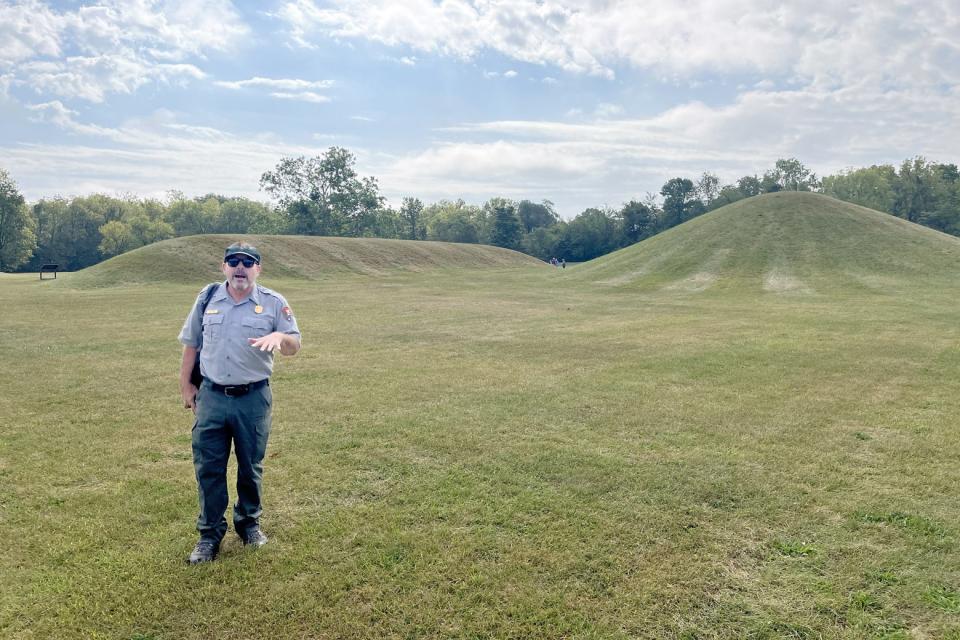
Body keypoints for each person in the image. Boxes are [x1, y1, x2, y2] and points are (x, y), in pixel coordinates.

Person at [178, 241, 301, 564]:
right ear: (224, 267)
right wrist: (186, 386)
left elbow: (294, 345)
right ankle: (209, 535)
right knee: (209, 468)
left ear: (258, 269)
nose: (240, 268)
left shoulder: (274, 303)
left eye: (248, 262)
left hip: (253, 398)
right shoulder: (207, 300)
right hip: (213, 397)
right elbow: (191, 345)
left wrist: (280, 338)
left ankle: (248, 524)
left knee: (250, 466)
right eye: (233, 261)